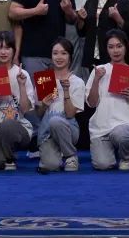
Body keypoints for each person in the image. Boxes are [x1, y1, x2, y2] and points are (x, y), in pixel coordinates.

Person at [85, 29, 129, 170]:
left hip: (124, 124)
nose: (115, 50)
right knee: (103, 165)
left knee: (122, 135)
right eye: (111, 47)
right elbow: (91, 103)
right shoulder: (99, 70)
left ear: (126, 47)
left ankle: (126, 157)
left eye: (119, 46)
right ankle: (110, 151)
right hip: (101, 127)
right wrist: (96, 79)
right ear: (106, 49)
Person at [0, 31, 35, 170]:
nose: (3, 52)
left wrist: (21, 85)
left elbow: (26, 109)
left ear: (14, 50)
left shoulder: (22, 74)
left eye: (7, 48)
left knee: (7, 125)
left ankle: (9, 158)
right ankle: (1, 154)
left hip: (17, 126)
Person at [35, 38, 86, 172]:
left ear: (70, 57)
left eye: (63, 53)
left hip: (68, 128)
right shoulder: (44, 79)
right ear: (51, 56)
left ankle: (70, 155)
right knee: (50, 166)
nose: (59, 57)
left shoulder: (77, 82)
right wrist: (44, 105)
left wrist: (66, 91)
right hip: (47, 131)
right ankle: (55, 153)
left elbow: (70, 114)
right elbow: (39, 114)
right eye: (55, 53)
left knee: (56, 121)